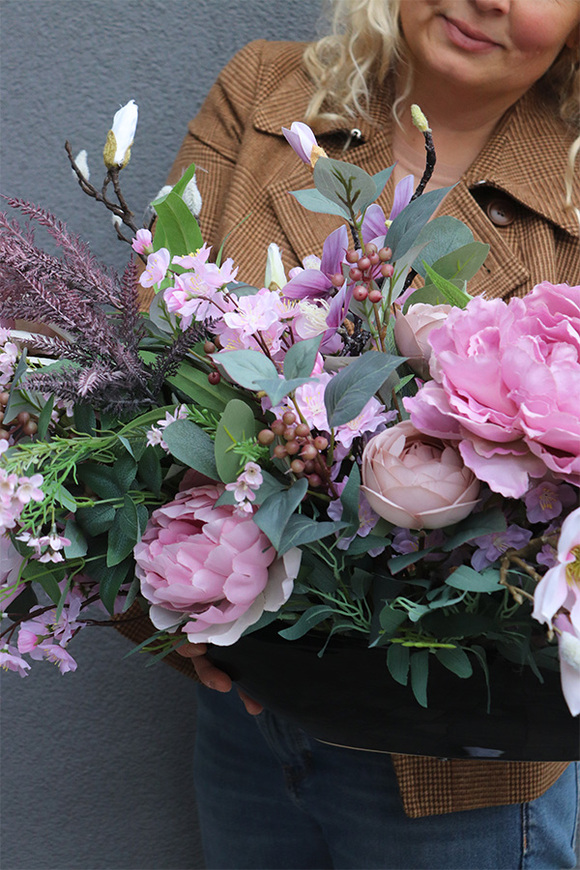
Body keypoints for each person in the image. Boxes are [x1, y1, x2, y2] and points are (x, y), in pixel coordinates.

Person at [130, 1, 580, 867]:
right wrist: (173, 607)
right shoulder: (270, 91)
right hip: (249, 715)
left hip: (460, 769)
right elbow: (142, 365)